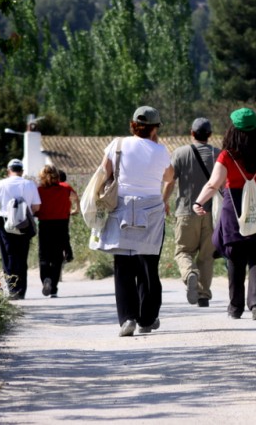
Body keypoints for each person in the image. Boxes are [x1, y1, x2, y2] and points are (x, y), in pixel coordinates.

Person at [90, 106, 173, 337]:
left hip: (122, 208)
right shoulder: (160, 150)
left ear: (133, 125)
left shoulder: (117, 144)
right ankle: (146, 319)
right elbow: (169, 177)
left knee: (123, 267)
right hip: (152, 211)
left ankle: (127, 318)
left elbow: (105, 172)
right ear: (155, 128)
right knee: (148, 267)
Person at [192, 108, 256, 320]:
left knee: (236, 260)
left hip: (234, 209)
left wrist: (199, 202)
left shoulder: (227, 155)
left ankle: (235, 307)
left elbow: (213, 184)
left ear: (233, 130)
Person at [162, 117, 220, 307]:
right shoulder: (217, 155)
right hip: (211, 213)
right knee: (206, 256)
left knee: (183, 251)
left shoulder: (180, 153)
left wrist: (164, 201)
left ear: (191, 132)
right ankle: (203, 295)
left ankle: (189, 273)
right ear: (210, 135)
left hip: (186, 211)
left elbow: (170, 181)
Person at [0, 159, 41, 300]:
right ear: (22, 171)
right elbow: (36, 207)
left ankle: (12, 289)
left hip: (5, 222)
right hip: (23, 223)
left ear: (8, 170)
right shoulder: (29, 184)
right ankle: (21, 291)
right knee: (22, 256)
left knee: (8, 254)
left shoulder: (1, 184)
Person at [35, 165, 76, 297]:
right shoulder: (65, 188)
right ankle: (53, 287)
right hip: (61, 223)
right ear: (57, 175)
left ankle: (45, 279)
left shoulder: (39, 190)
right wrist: (74, 210)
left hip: (45, 223)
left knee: (44, 255)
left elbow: (35, 207)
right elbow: (76, 199)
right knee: (57, 256)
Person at [57, 170, 79, 263]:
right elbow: (76, 198)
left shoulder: (51, 186)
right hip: (65, 214)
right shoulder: (67, 186)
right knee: (64, 234)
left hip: (51, 216)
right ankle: (68, 254)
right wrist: (76, 209)